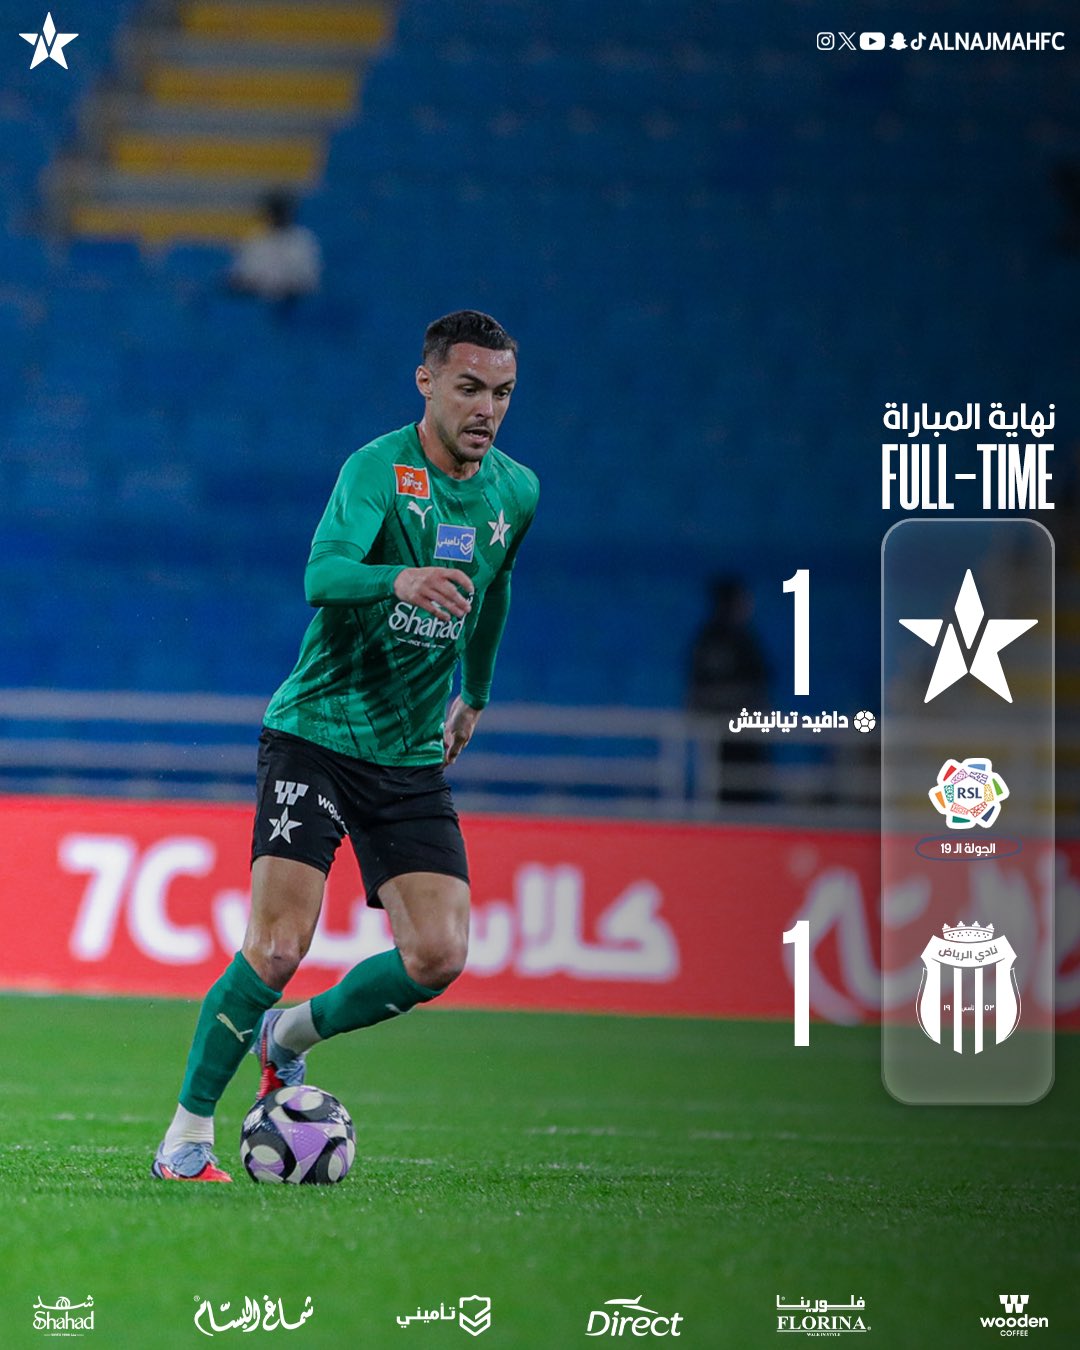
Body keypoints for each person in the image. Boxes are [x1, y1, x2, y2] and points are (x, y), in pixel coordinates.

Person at [153, 310, 539, 1180]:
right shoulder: (376, 470)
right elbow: (320, 575)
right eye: (470, 388)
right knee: (278, 946)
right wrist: (398, 577)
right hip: (317, 735)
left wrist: (475, 694)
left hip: (409, 755)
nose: (486, 408)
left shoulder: (516, 491)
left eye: (503, 392)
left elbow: (496, 589)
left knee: (438, 955)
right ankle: (184, 1139)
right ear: (427, 382)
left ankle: (288, 1034)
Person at [227, 190, 322, 305]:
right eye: (275, 213)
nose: (278, 217)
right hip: (257, 301)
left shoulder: (302, 239)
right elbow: (241, 274)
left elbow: (309, 279)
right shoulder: (255, 239)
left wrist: (283, 287)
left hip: (296, 302)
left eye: (281, 213)